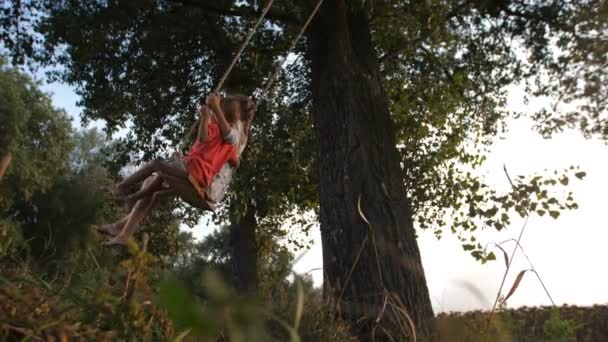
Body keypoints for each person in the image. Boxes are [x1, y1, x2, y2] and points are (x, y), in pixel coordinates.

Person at [95, 92, 254, 245]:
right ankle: (123, 229)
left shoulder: (231, 133)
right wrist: (207, 119)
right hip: (197, 176)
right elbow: (222, 152)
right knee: (155, 187)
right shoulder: (222, 132)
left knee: (156, 167)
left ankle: (122, 190)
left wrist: (213, 110)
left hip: (202, 182)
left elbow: (223, 139)